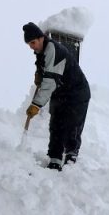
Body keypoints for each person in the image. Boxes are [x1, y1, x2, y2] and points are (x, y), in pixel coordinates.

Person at [23, 22, 91, 171]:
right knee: (56, 124)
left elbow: (50, 82)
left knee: (72, 125)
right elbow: (45, 75)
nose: (31, 46)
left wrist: (36, 104)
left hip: (77, 92)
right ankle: (55, 159)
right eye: (29, 44)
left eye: (33, 42)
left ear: (41, 38)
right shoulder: (42, 53)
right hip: (60, 93)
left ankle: (71, 159)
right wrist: (39, 74)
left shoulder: (53, 49)